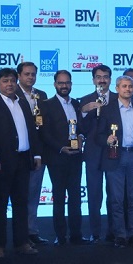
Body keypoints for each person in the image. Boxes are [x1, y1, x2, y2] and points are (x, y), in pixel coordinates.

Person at [0, 67, 42, 257]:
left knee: (21, 203)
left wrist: (37, 155)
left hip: (23, 160)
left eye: (12, 80)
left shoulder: (23, 103)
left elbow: (31, 130)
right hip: (1, 162)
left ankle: (22, 242)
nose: (10, 84)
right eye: (5, 81)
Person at [97, 75, 133, 248]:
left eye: (130, 86)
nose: (128, 89)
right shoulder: (107, 110)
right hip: (115, 157)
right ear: (117, 88)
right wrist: (107, 139)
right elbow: (98, 135)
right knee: (116, 199)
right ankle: (119, 234)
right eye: (124, 86)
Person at [38, 70, 89, 246]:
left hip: (76, 157)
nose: (64, 86)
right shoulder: (45, 105)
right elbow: (44, 132)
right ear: (55, 85)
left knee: (76, 198)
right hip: (57, 157)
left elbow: (81, 127)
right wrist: (60, 148)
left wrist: (81, 137)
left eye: (67, 82)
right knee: (59, 198)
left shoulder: (76, 103)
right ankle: (60, 236)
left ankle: (76, 235)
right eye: (61, 83)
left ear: (71, 84)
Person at [13, 61, 49, 247]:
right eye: (27, 74)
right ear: (19, 76)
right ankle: (19, 234)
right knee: (19, 196)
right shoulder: (11, 94)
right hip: (16, 152)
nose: (30, 77)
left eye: (33, 74)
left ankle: (32, 231)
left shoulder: (41, 95)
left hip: (37, 152)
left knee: (34, 194)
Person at [78, 65, 114, 243]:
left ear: (110, 79)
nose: (102, 80)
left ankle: (114, 231)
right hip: (92, 152)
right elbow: (80, 129)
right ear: (93, 80)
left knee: (114, 194)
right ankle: (96, 232)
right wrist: (84, 112)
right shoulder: (84, 101)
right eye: (98, 77)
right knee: (94, 194)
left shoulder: (118, 98)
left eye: (105, 77)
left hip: (114, 152)